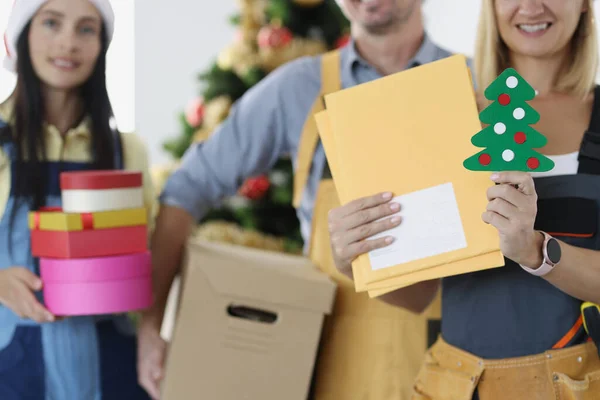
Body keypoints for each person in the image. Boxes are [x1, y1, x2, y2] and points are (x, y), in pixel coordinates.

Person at [137, 1, 457, 399]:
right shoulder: (297, 88)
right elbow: (187, 187)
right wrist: (151, 327)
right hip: (328, 364)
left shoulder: (473, 84)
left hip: (451, 364)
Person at [327, 0, 600, 399]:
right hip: (454, 385)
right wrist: (354, 261)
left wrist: (536, 250)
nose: (531, 6)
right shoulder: (446, 113)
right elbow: (420, 295)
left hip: (576, 385)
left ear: (583, 6)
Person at [0, 0, 154, 398]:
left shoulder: (126, 152)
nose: (68, 42)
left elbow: (151, 259)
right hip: (14, 372)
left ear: (102, 45)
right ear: (17, 38)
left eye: (87, 29)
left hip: (114, 370)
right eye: (51, 23)